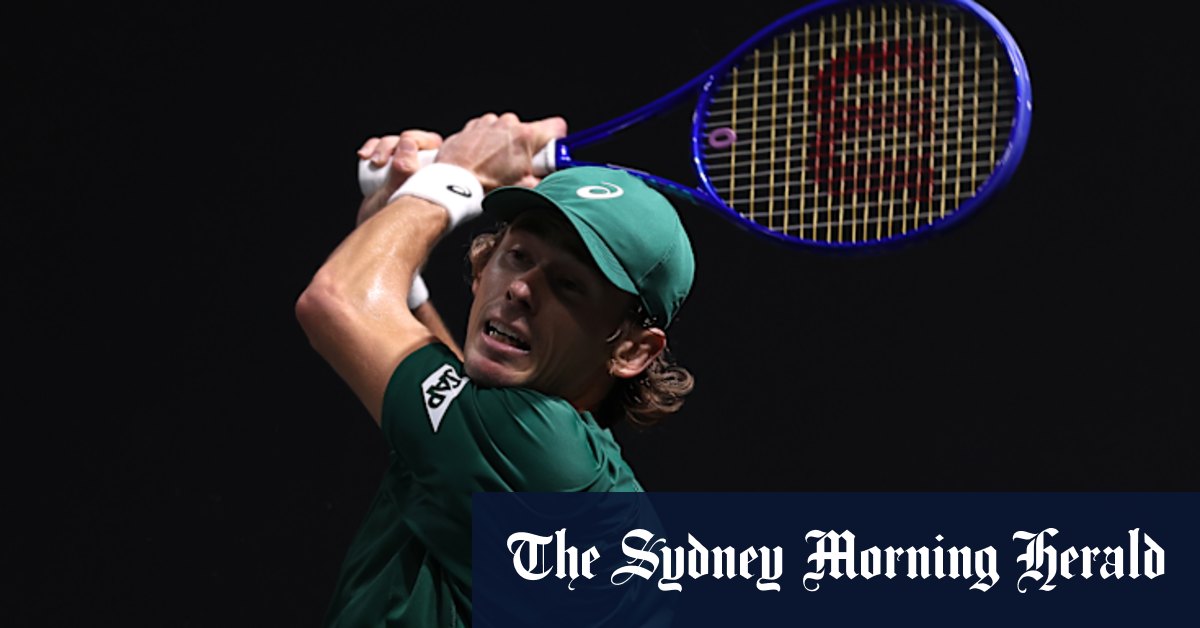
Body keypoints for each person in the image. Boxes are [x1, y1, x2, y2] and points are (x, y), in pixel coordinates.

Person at [295, 112, 696, 626]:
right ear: (482, 267)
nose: (522, 289)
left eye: (569, 284)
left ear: (631, 352)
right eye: (518, 255)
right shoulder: (537, 455)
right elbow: (448, 399)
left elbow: (336, 301)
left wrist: (455, 176)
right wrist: (389, 226)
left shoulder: (547, 462)